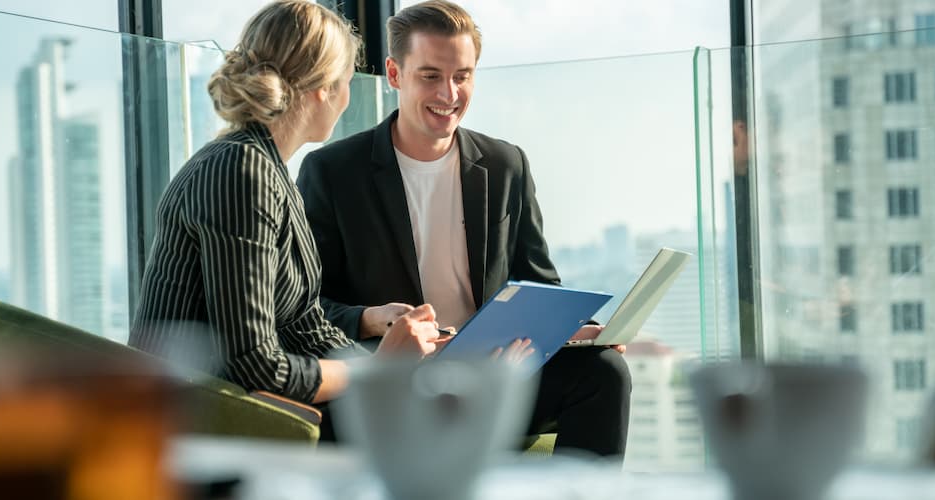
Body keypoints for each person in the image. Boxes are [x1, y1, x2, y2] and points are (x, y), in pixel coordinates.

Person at [297, 0, 631, 457]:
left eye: (463, 76)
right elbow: (309, 308)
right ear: (395, 74)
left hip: (498, 374)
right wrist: (373, 320)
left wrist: (576, 331)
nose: (449, 94)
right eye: (430, 76)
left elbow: (539, 283)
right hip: (396, 377)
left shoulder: (505, 163)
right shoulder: (333, 171)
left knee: (604, 370)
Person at [128, 0, 442, 407]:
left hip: (234, 412)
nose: (348, 96)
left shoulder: (267, 169)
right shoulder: (240, 171)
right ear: (322, 90)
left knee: (430, 406)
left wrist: (387, 351)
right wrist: (379, 368)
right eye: (347, 80)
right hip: (192, 425)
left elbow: (303, 324)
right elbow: (254, 366)